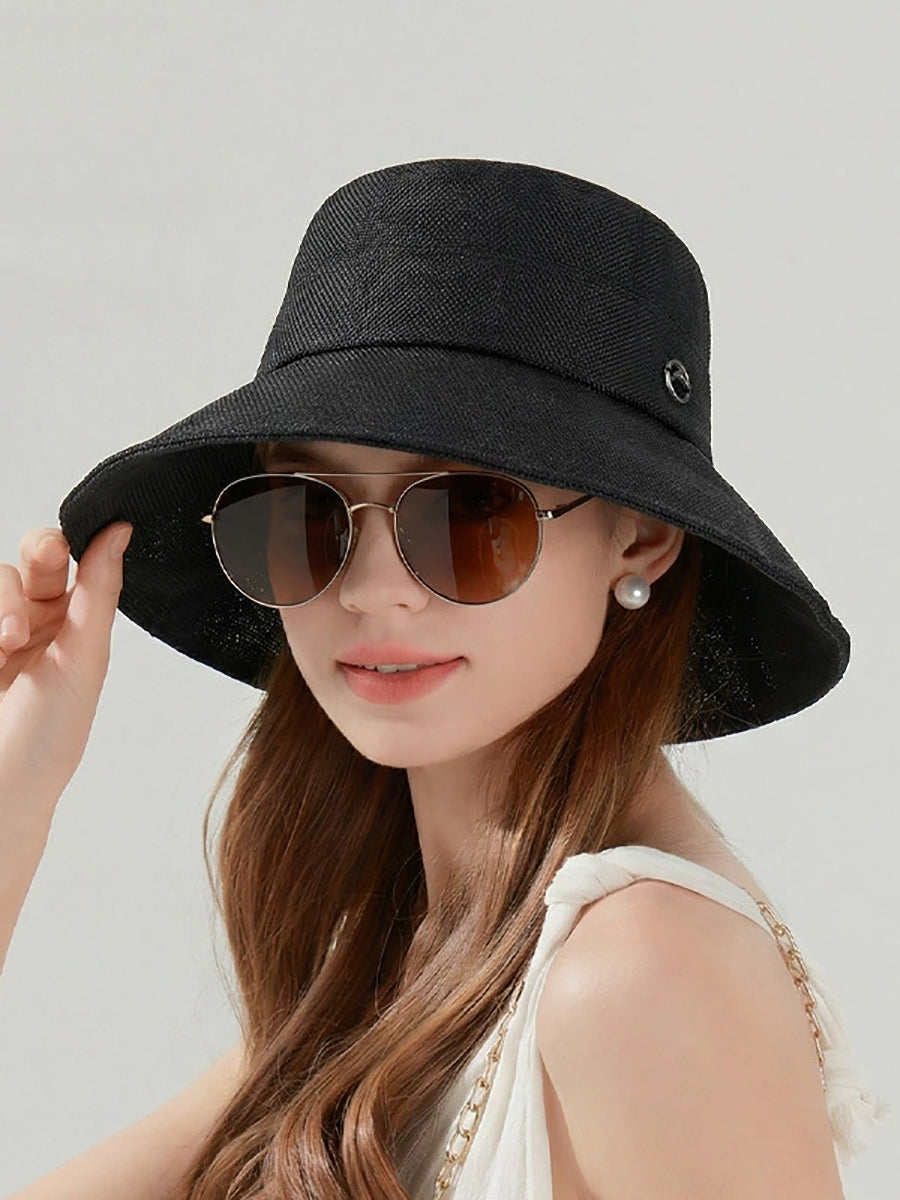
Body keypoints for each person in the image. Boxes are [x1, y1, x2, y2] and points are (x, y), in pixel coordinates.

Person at [0, 158, 888, 1199]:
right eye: (307, 514)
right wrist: (21, 781)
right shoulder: (406, 970)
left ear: (641, 539)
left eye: (469, 516)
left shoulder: (643, 972)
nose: (373, 591)